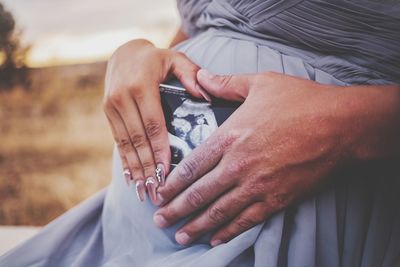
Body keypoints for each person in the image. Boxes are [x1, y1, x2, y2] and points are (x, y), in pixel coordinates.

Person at [1, 0, 399, 266]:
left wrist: (341, 127)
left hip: (313, 215)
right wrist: (137, 54)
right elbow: (211, 20)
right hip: (134, 230)